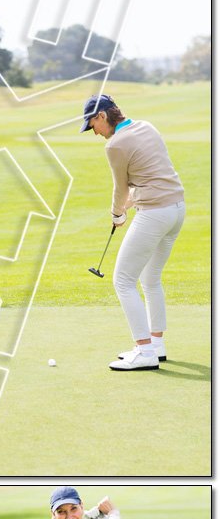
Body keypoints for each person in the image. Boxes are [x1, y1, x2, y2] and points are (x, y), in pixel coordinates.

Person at [80, 94, 185, 370]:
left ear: (102, 116)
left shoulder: (115, 144)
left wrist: (117, 213)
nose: (94, 133)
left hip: (154, 214)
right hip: (176, 210)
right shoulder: (146, 126)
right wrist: (126, 208)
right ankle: (156, 344)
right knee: (150, 278)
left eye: (92, 125)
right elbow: (148, 176)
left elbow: (120, 187)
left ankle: (145, 351)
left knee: (123, 280)